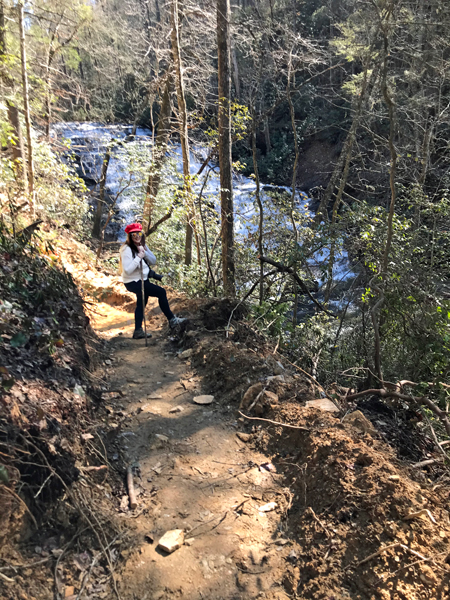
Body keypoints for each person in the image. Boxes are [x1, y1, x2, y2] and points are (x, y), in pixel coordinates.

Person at [119, 223, 186, 339]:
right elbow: (127, 270)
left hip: (143, 280)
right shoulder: (126, 249)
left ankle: (138, 331)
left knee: (141, 303)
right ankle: (172, 320)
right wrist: (139, 257)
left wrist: (145, 252)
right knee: (161, 292)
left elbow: (153, 260)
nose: (137, 236)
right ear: (129, 236)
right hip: (133, 282)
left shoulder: (140, 245)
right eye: (133, 234)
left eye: (139, 233)